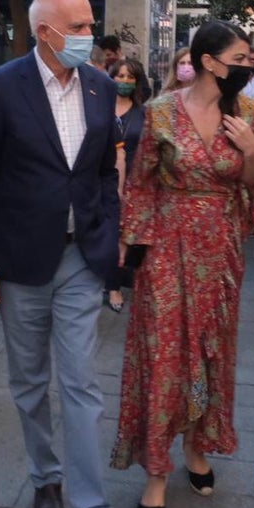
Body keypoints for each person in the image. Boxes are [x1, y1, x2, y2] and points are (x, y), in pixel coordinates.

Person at [109, 22, 254, 508]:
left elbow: (253, 182)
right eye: (242, 58)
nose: (250, 66)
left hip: (222, 250)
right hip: (166, 244)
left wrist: (250, 150)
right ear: (210, 61)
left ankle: (197, 446)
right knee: (163, 353)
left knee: (212, 352)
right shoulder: (161, 111)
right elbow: (141, 183)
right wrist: (132, 243)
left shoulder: (249, 110)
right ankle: (157, 469)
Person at [0, 0, 120, 508]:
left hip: (82, 257)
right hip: (19, 260)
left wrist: (111, 232)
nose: (87, 36)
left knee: (81, 382)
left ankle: (86, 498)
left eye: (88, 25)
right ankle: (44, 477)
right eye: (77, 28)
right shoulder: (1, 86)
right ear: (43, 32)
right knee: (29, 381)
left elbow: (104, 173)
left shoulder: (100, 86)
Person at [106, 56, 148, 314]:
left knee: (124, 236)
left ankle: (119, 283)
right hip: (100, 179)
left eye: (130, 77)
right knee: (107, 235)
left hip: (133, 181)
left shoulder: (144, 114)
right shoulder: (98, 108)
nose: (124, 81)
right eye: (120, 76)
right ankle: (111, 286)